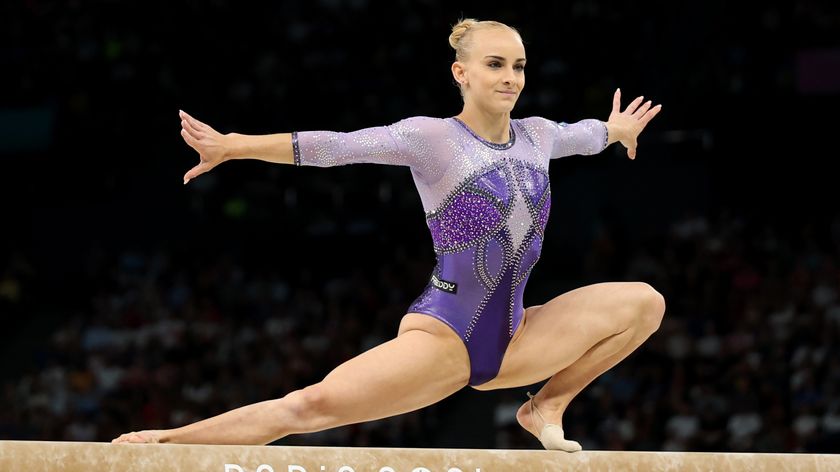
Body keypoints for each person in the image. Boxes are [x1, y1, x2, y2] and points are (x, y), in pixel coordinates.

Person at [113, 18, 665, 451]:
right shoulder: (431, 139)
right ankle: (168, 440)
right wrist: (235, 144)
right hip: (445, 338)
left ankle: (545, 407)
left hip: (519, 337)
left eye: (518, 66)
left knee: (644, 303)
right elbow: (338, 147)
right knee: (307, 408)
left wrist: (617, 131)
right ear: (461, 73)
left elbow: (587, 134)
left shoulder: (539, 135)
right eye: (495, 64)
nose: (510, 78)